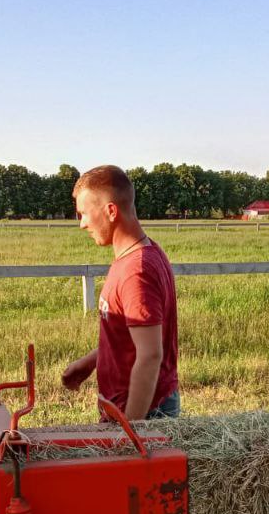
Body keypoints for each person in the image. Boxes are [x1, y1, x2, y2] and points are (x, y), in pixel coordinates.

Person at [61, 165, 180, 420]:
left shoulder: (136, 271)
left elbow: (150, 355)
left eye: (83, 214)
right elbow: (131, 339)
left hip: (143, 413)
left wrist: (131, 434)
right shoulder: (140, 255)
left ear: (111, 211)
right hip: (135, 409)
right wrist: (90, 362)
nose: (81, 224)